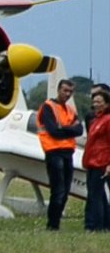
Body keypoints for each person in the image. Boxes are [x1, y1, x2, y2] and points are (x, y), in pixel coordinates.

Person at [37, 78, 83, 230]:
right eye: (65, 91)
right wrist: (69, 129)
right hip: (53, 151)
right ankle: (52, 225)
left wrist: (63, 128)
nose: (67, 94)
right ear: (58, 90)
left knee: (65, 190)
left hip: (68, 152)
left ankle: (55, 223)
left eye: (70, 92)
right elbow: (53, 132)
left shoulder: (70, 110)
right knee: (58, 190)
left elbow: (79, 130)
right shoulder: (48, 107)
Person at [82, 86, 109, 232]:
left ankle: (97, 226)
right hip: (91, 161)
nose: (97, 104)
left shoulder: (107, 120)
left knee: (96, 195)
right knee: (95, 194)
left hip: (101, 161)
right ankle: (104, 224)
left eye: (100, 101)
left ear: (107, 104)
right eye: (95, 101)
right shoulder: (95, 120)